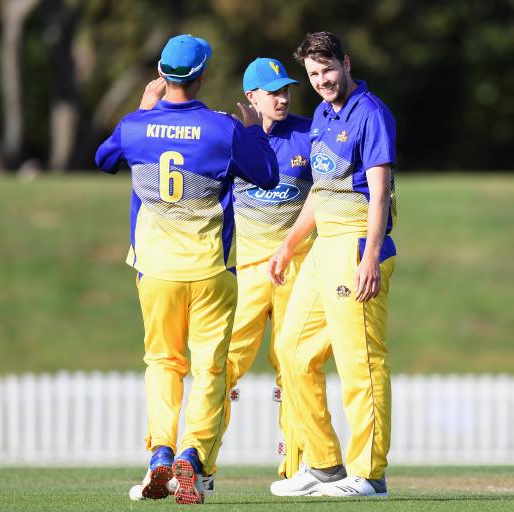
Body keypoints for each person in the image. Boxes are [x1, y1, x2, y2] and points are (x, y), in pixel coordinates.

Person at [95, 34, 278, 505]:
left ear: (162, 70)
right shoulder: (222, 129)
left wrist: (143, 106)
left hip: (154, 270)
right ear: (201, 76)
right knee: (209, 369)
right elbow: (268, 175)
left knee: (162, 363)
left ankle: (160, 452)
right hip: (211, 269)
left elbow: (104, 159)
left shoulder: (137, 125)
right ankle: (193, 457)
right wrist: (254, 129)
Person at [268, 31, 397, 498]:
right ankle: (323, 465)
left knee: (359, 360)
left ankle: (369, 474)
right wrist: (288, 244)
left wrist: (369, 255)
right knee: (292, 351)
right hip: (324, 247)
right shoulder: (322, 114)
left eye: (328, 69)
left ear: (346, 63)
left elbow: (380, 192)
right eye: (313, 74)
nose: (322, 80)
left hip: (358, 245)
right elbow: (320, 193)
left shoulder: (372, 113)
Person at [224, 57, 315, 479]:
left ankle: (295, 466)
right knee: (224, 363)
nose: (282, 97)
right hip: (248, 272)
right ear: (251, 97)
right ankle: (199, 461)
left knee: (295, 364)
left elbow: (324, 197)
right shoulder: (234, 137)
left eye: (285, 90)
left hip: (298, 269)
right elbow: (217, 199)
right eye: (272, 91)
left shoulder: (308, 132)